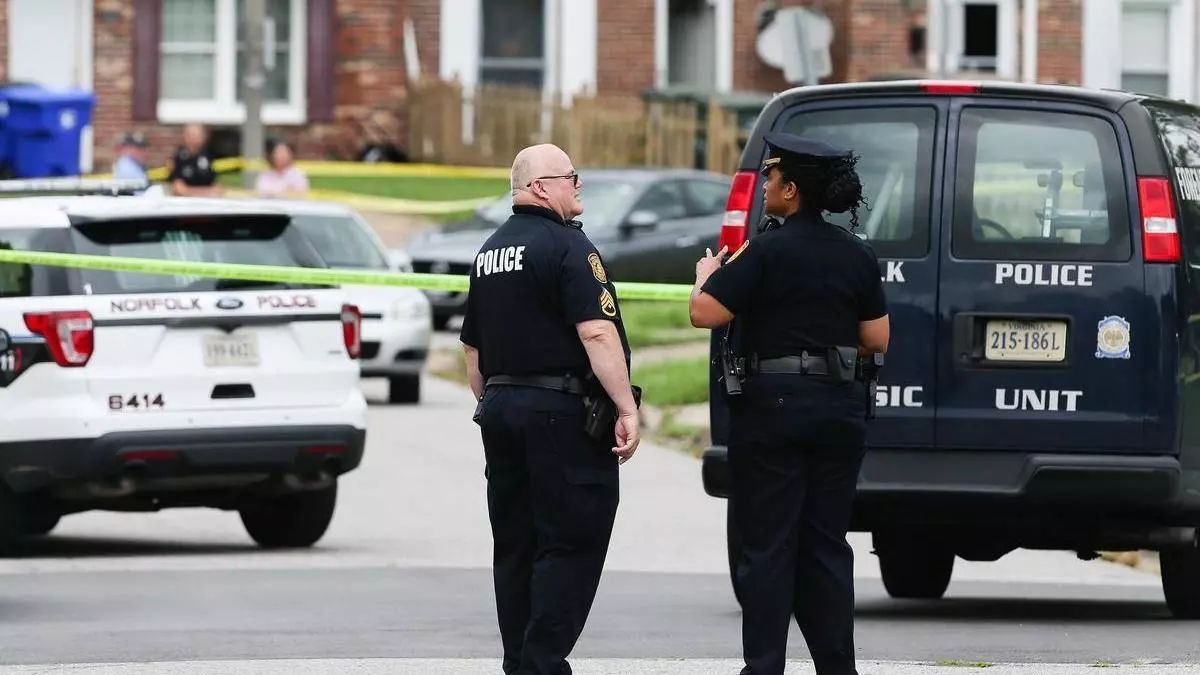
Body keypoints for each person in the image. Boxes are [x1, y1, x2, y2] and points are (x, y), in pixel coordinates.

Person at [688, 131, 890, 675]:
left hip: (771, 415)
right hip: (838, 411)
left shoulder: (764, 250)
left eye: (771, 178)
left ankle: (763, 668)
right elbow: (877, 338)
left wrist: (706, 278)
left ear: (791, 189)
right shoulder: (856, 253)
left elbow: (705, 314)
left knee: (769, 547)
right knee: (826, 546)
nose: (765, 187)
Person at [459, 143, 641, 675]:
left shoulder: (489, 250)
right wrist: (625, 406)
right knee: (573, 539)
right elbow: (597, 332)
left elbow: (472, 351)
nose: (578, 185)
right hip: (560, 413)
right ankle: (542, 664)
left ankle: (520, 662)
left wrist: (497, 403)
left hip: (500, 407)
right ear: (541, 187)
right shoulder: (568, 246)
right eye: (570, 176)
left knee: (516, 544)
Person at [167, 123, 225, 197]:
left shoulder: (207, 155)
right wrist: (207, 192)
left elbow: (216, 186)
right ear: (185, 136)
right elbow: (179, 189)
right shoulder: (179, 157)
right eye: (191, 135)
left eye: (198, 135)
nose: (194, 139)